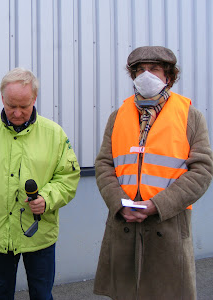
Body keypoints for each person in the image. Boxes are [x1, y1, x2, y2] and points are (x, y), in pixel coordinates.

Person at [93, 46, 213, 300]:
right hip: (123, 224)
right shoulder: (118, 116)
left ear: (169, 76)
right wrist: (118, 204)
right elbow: (104, 164)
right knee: (125, 293)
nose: (145, 75)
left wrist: (157, 205)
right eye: (139, 70)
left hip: (167, 225)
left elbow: (201, 171)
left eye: (154, 69)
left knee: (165, 293)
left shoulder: (191, 117)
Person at [0, 67, 81, 300]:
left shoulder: (54, 134)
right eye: (11, 105)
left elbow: (68, 177)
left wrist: (47, 199)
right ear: (2, 98)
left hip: (40, 231)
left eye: (24, 107)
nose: (16, 113)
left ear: (35, 98)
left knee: (42, 295)